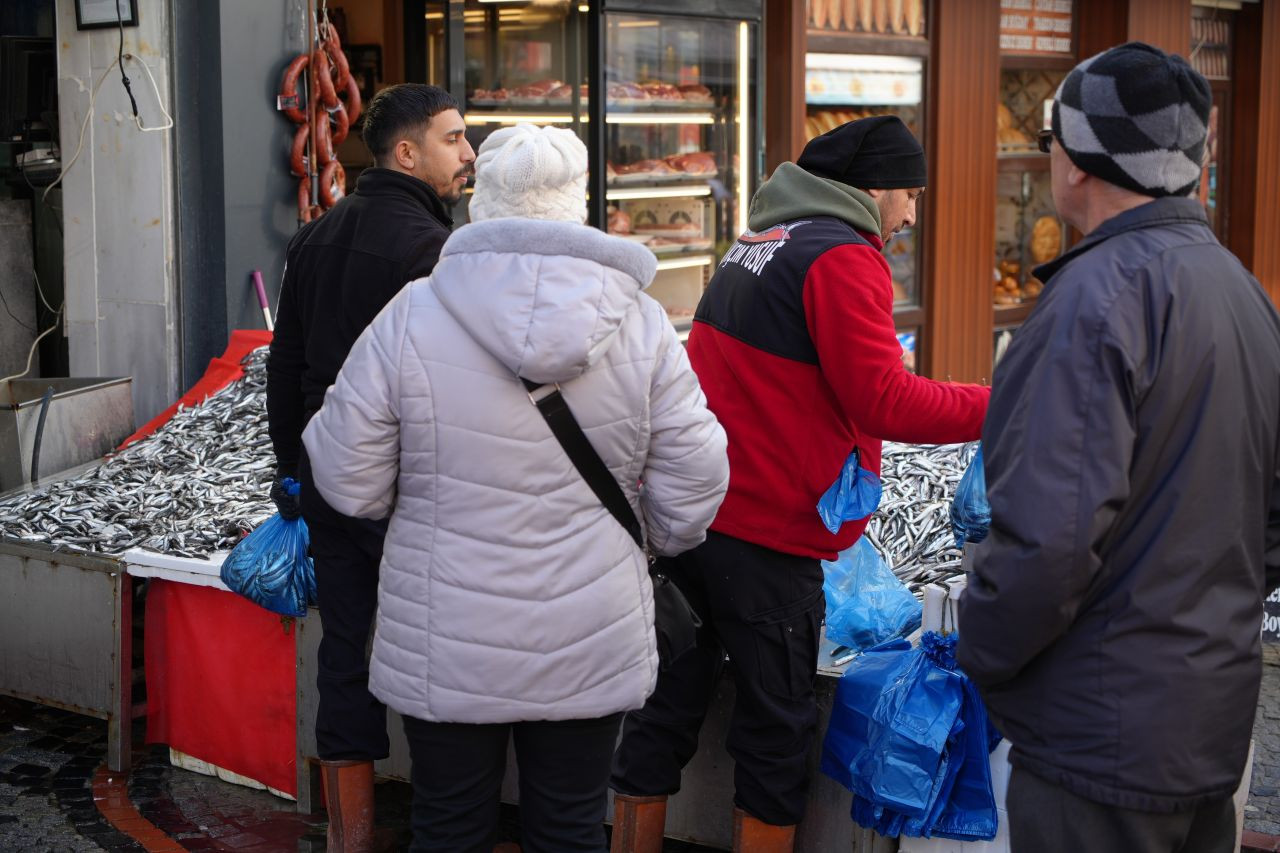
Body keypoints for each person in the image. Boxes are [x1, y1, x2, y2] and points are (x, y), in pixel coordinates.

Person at [300, 123, 730, 853]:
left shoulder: (413, 314)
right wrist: (636, 538)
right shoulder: (643, 324)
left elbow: (345, 474)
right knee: (569, 825)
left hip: (445, 628)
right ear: (578, 204)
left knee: (449, 825)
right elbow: (698, 480)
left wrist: (414, 508)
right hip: (590, 626)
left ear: (482, 204)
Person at [609, 115, 991, 851]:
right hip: (768, 534)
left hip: (698, 518)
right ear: (872, 188)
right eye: (909, 193)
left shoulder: (756, 243)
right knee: (777, 730)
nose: (911, 212)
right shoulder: (843, 257)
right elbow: (885, 400)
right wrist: (994, 400)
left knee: (665, 709)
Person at [956, 42, 1280, 853]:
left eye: (1050, 136)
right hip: (1206, 723)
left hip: (1098, 736)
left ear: (1079, 162)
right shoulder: (1239, 289)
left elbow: (1046, 546)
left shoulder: (1093, 301)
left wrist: (981, 655)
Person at [266, 83, 474, 852]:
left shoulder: (314, 238)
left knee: (343, 647)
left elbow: (283, 366)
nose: (469, 153)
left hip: (328, 479)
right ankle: (444, 823)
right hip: (410, 485)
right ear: (407, 152)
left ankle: (349, 835)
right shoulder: (438, 252)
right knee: (429, 645)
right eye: (453, 139)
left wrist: (293, 467)